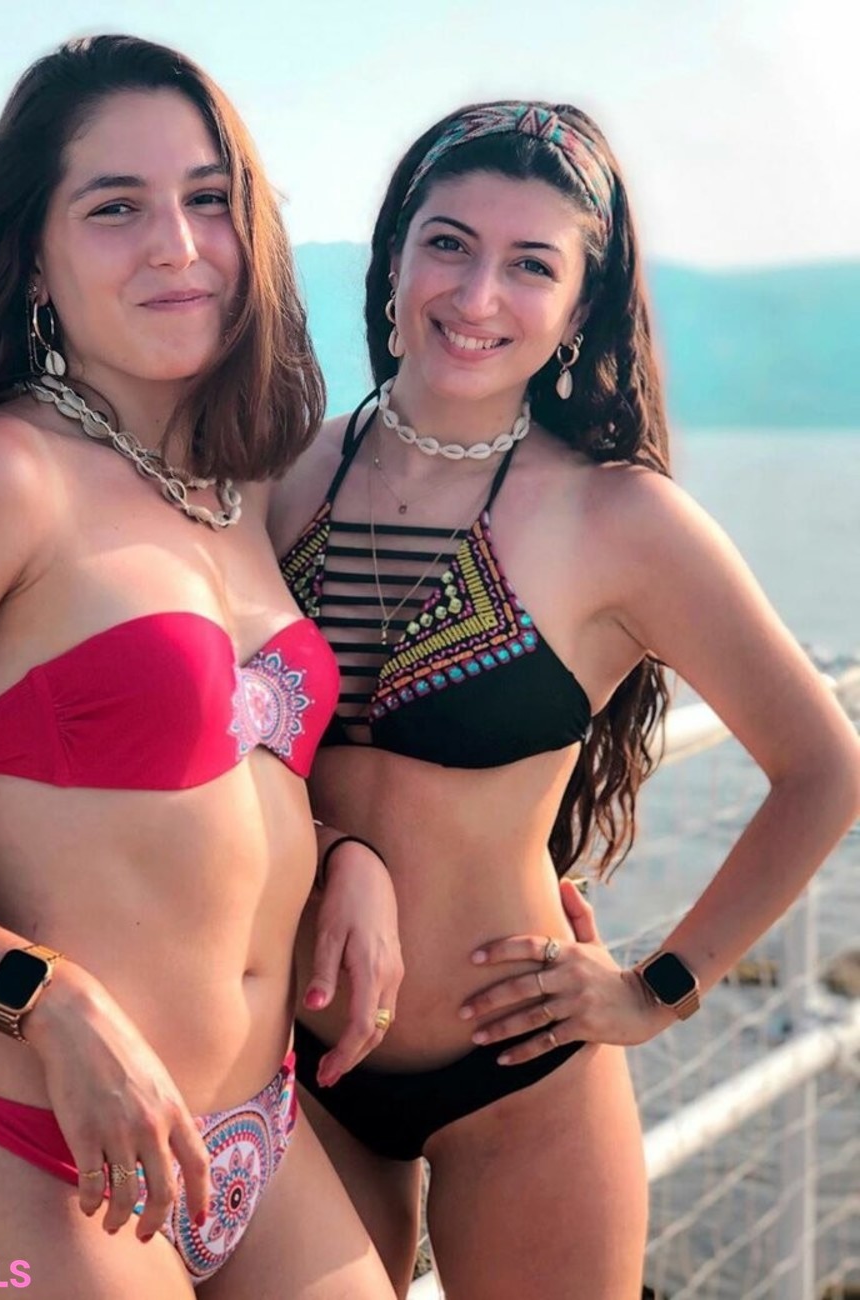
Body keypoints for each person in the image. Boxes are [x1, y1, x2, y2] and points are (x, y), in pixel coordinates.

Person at [0, 36, 403, 1299]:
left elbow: (234, 781)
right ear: (30, 256)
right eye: (116, 207)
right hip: (37, 1152)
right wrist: (44, 995)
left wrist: (348, 852)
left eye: (208, 199)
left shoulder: (242, 490)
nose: (177, 245)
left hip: (259, 1134)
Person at [269, 101, 860, 1299]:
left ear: (581, 307)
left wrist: (658, 988)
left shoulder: (621, 518)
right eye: (448, 243)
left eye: (531, 264)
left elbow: (825, 768)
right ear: (393, 258)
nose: (477, 293)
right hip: (293, 1062)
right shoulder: (280, 477)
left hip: (521, 1081)